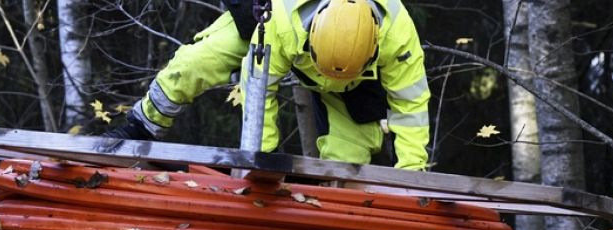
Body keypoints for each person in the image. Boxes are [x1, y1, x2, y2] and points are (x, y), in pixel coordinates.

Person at [106, 0, 430, 171]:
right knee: (196, 63)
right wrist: (262, 160)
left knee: (348, 167)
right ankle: (140, 126)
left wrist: (414, 174)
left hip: (356, 87)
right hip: (270, 27)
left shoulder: (399, 36)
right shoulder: (283, 21)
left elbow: (411, 107)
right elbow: (259, 85)